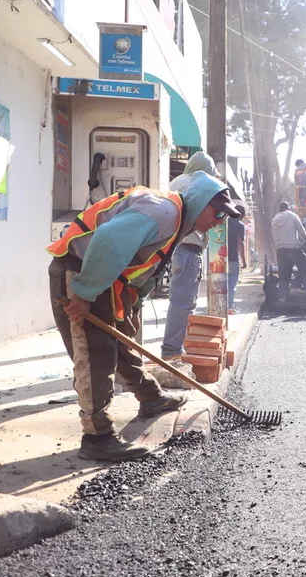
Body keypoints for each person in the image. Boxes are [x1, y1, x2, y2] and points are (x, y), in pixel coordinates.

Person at [47, 173, 241, 461]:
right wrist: (84, 292)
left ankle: (151, 397)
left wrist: (133, 302)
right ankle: (97, 437)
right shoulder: (164, 211)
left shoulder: (178, 222)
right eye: (217, 213)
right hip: (79, 271)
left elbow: (148, 263)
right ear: (200, 204)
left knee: (120, 342)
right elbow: (108, 241)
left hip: (106, 280)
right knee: (94, 354)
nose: (218, 221)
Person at [160, 151, 219, 361]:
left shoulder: (175, 182)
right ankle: (172, 352)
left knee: (178, 301)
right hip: (189, 249)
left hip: (174, 247)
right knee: (183, 303)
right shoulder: (201, 185)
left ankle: (172, 349)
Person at [272, 201, 306, 299]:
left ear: (280, 209)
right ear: (288, 208)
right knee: (304, 264)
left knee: (284, 273)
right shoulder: (293, 216)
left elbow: (273, 236)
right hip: (293, 249)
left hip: (280, 249)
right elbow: (301, 231)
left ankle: (283, 297)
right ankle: (296, 285)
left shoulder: (274, 219)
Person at [227, 206, 248, 313]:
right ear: (242, 215)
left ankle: (222, 305)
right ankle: (230, 306)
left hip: (220, 259)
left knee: (223, 283)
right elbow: (240, 242)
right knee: (232, 283)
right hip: (233, 259)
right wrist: (244, 261)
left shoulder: (222, 223)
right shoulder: (239, 225)